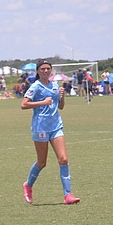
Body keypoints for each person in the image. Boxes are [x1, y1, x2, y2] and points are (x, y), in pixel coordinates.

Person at [20, 60, 80, 205]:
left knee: (63, 159)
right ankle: (28, 185)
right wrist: (42, 102)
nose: (46, 71)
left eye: (48, 69)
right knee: (42, 162)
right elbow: (23, 104)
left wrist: (62, 97)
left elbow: (61, 107)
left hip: (56, 126)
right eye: (43, 69)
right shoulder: (35, 86)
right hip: (40, 127)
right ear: (38, 71)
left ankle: (68, 195)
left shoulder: (55, 86)